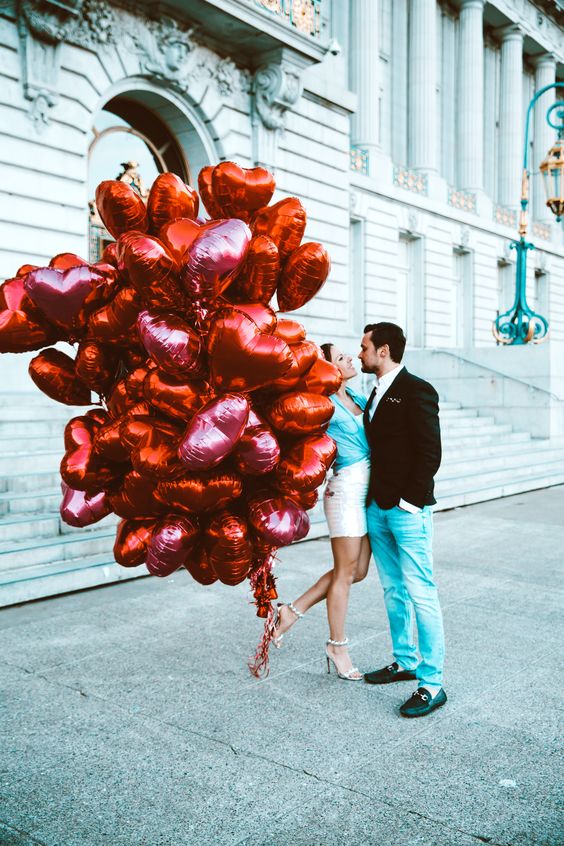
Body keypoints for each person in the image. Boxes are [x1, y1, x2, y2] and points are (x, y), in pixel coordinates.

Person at [359, 321, 446, 718]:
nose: (360, 353)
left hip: (407, 510)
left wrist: (410, 503)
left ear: (384, 350)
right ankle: (405, 660)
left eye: (365, 347)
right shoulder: (374, 391)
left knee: (421, 592)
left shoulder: (417, 390)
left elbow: (431, 453)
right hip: (377, 508)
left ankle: (432, 684)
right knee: (393, 589)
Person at [272, 344, 372, 680]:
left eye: (347, 355)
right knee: (345, 573)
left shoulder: (357, 397)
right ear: (327, 369)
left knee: (358, 571)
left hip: (367, 491)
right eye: (340, 358)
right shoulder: (323, 404)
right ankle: (337, 646)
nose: (350, 358)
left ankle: (291, 611)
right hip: (345, 491)